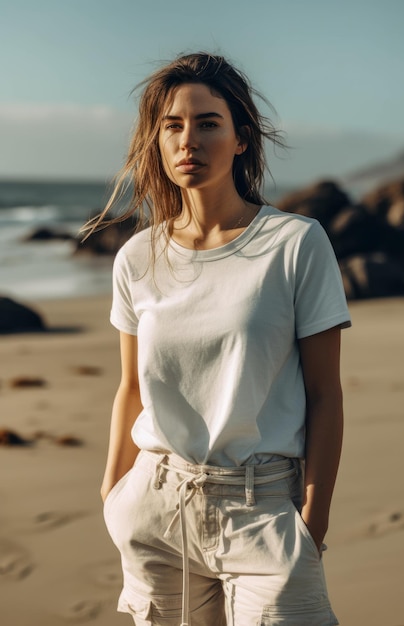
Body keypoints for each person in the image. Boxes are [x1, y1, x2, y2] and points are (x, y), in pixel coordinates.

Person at [85, 52, 351, 626]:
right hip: (156, 511)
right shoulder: (137, 258)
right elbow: (132, 386)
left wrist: (314, 519)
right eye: (173, 126)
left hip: (264, 510)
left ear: (240, 139)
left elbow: (326, 394)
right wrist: (113, 493)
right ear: (156, 141)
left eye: (208, 123)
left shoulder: (296, 244)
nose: (189, 141)